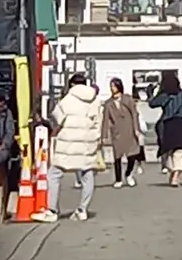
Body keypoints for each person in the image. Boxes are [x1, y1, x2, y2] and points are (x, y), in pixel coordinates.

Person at [35, 73, 102, 223]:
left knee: (54, 175)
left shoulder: (67, 100)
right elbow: (99, 122)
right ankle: (82, 210)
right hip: (87, 143)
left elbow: (57, 118)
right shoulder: (96, 101)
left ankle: (52, 210)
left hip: (68, 143)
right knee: (87, 175)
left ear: (71, 85)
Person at [149, 70, 182, 188]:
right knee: (180, 151)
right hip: (181, 123)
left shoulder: (165, 96)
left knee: (169, 151)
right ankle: (176, 174)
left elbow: (152, 104)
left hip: (168, 125)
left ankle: (173, 172)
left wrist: (152, 93)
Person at [102, 78, 142, 188]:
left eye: (114, 86)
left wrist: (136, 128)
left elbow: (134, 114)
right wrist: (104, 134)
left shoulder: (128, 99)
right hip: (117, 131)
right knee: (117, 157)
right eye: (111, 86)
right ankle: (118, 179)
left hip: (129, 129)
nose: (112, 88)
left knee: (132, 154)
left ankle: (128, 174)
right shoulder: (108, 103)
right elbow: (106, 119)